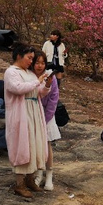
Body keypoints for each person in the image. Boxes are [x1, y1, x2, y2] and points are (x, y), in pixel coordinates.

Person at [4, 44, 53, 197]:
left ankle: (30, 179)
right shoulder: (11, 72)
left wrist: (47, 85)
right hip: (21, 113)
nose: (31, 61)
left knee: (34, 143)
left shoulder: (29, 73)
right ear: (19, 55)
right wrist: (38, 81)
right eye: (29, 58)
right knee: (22, 144)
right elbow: (17, 88)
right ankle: (19, 184)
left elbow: (39, 92)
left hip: (33, 110)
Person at [31, 51, 60, 191]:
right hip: (32, 114)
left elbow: (54, 98)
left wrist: (46, 118)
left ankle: (49, 175)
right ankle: (38, 173)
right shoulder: (28, 76)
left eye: (42, 63)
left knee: (46, 145)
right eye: (37, 62)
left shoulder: (50, 77)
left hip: (46, 115)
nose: (40, 66)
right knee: (34, 145)